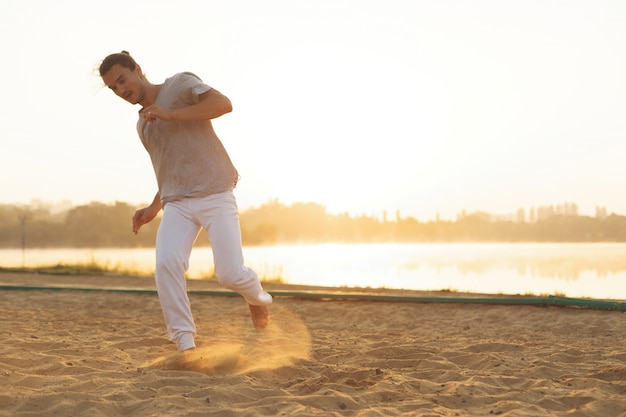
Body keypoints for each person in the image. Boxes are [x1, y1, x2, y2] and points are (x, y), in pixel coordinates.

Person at [99, 51, 272, 351]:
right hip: (177, 203)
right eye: (113, 88)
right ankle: (184, 342)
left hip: (215, 193)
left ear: (138, 69)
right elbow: (168, 170)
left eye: (122, 80)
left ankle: (257, 298)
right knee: (166, 264)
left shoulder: (179, 84)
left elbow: (223, 104)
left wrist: (172, 114)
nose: (120, 90)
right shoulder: (143, 125)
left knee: (230, 273)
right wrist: (154, 207)